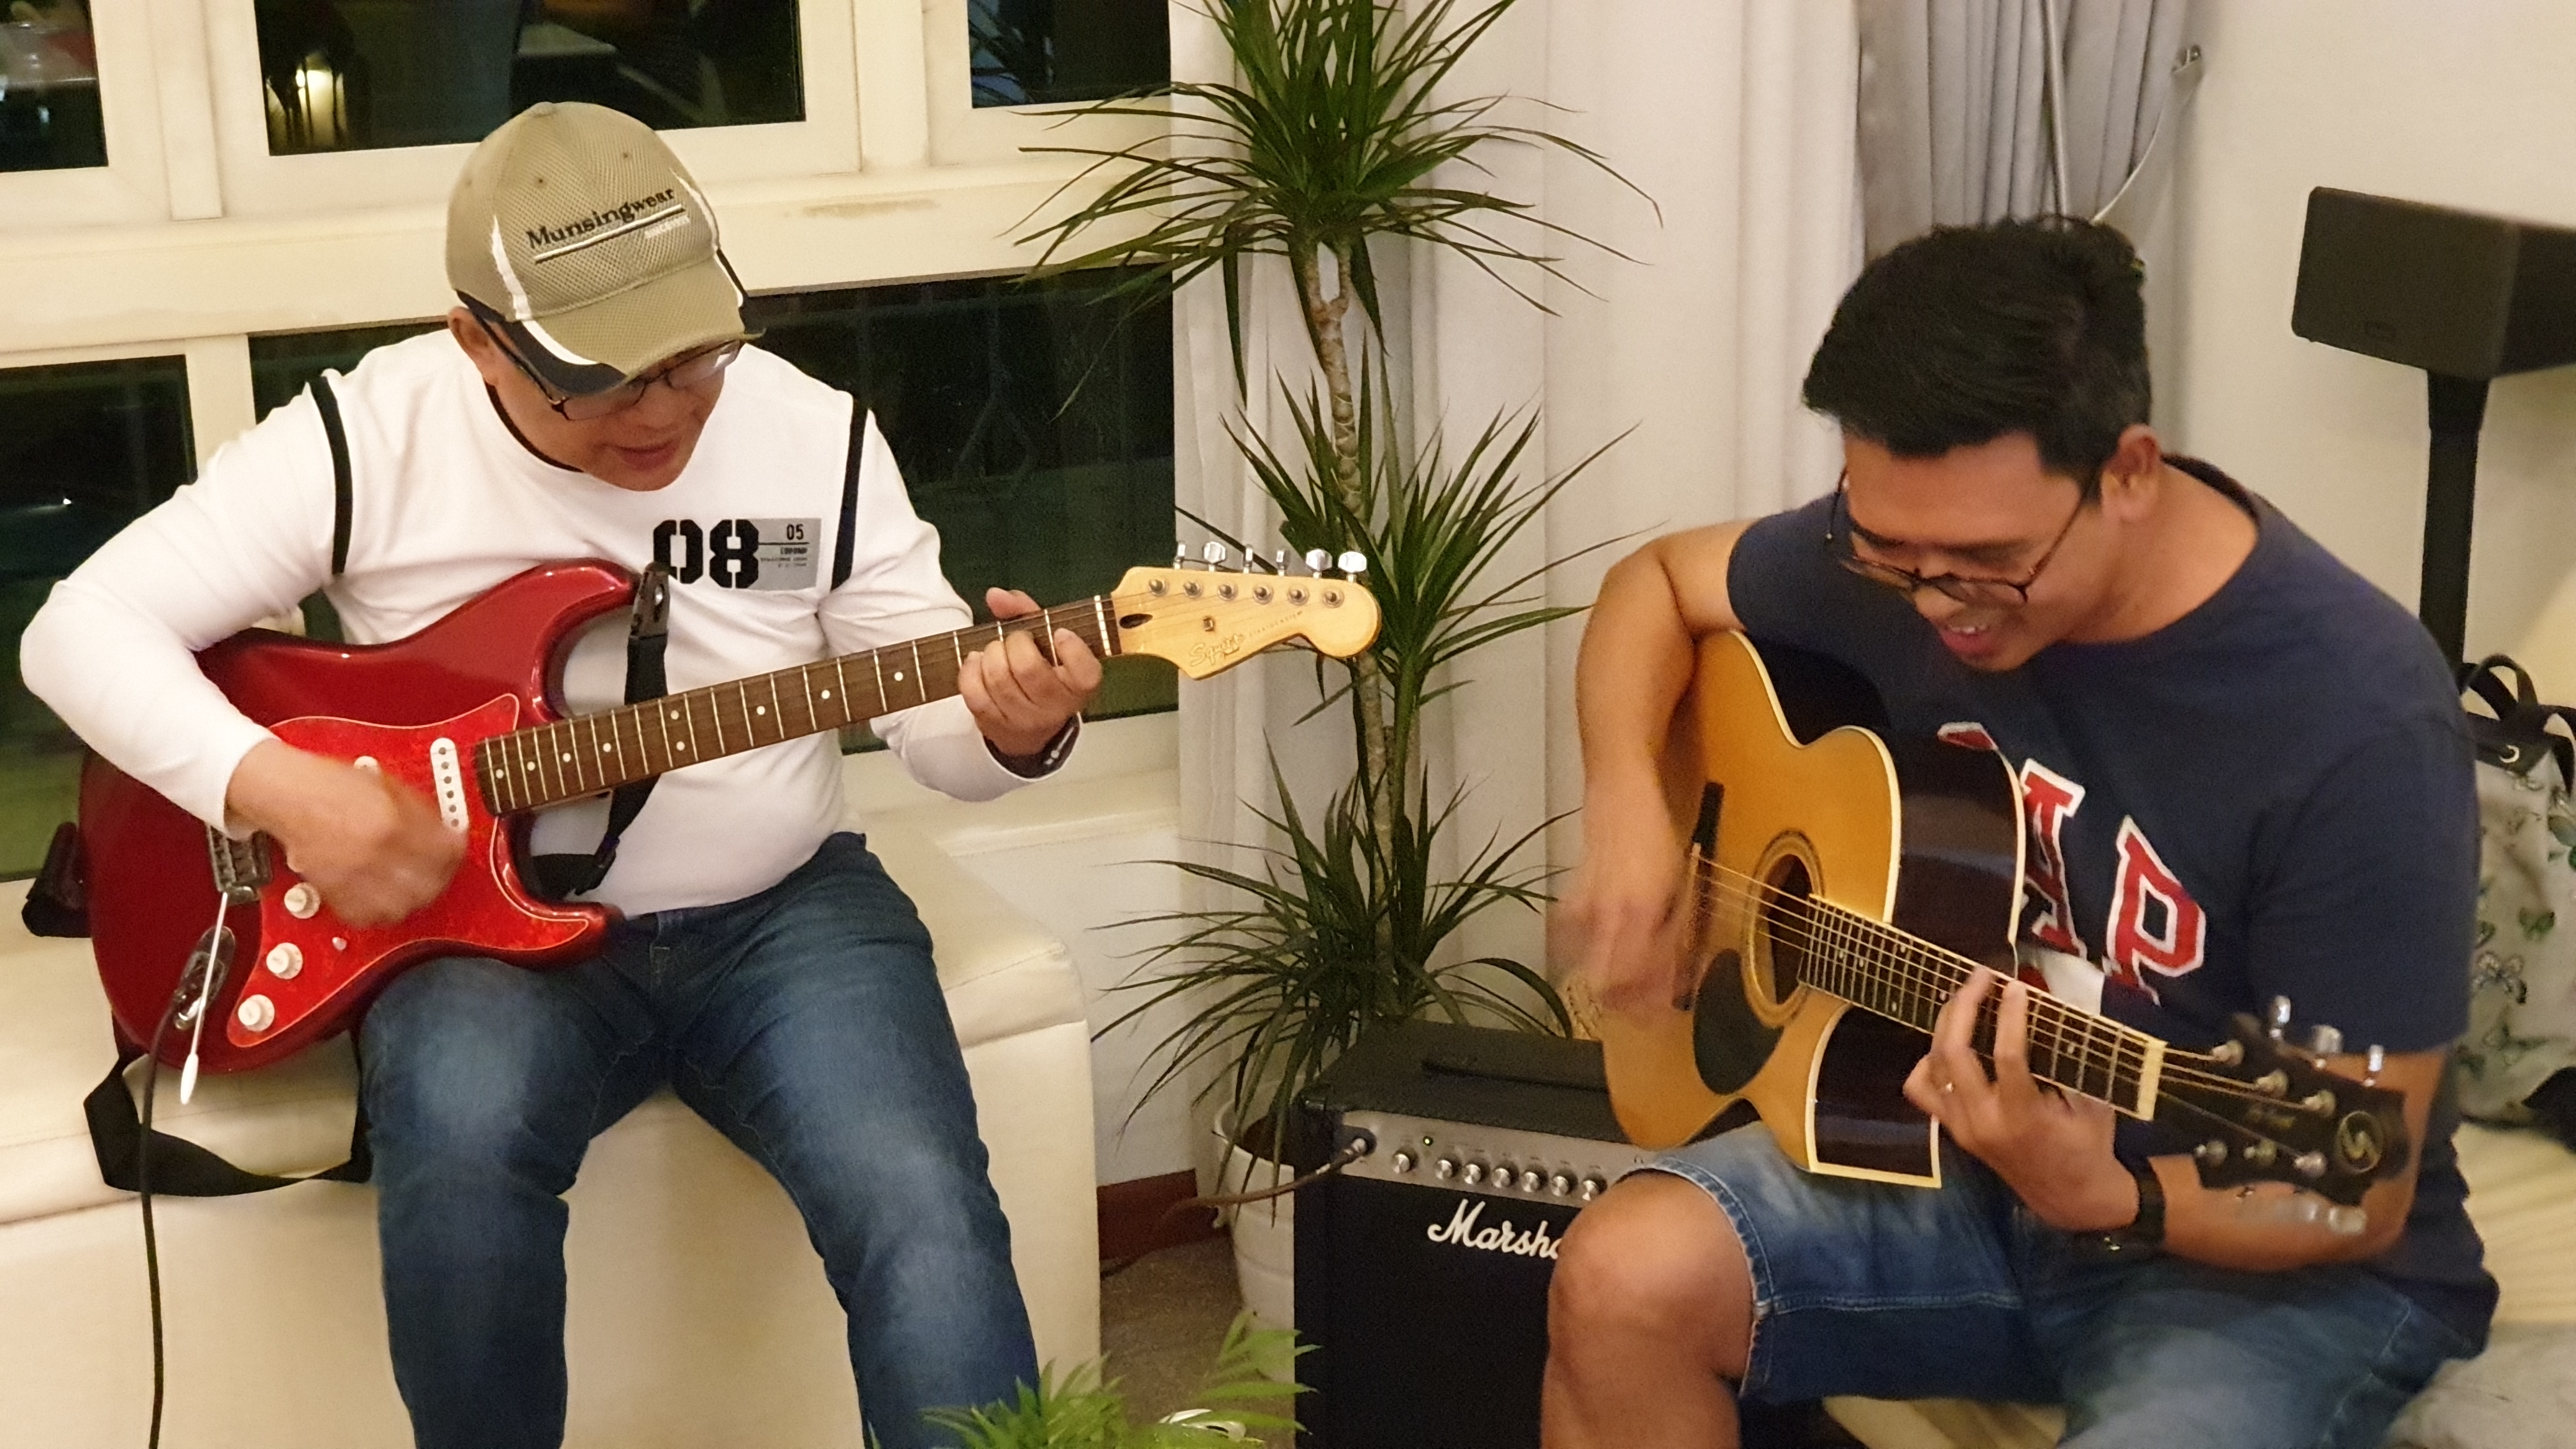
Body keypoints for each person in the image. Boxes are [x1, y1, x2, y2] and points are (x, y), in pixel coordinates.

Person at [19, 102, 1094, 1449]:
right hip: (475, 943)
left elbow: (938, 733)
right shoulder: (370, 433)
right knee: (460, 1177)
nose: (663, 410)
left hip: (784, 913)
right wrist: (283, 789)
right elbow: (78, 631)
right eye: (604, 380)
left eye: (692, 359)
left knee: (922, 1201)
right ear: (478, 339)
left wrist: (1011, 725)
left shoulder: (816, 436)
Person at [1542, 218, 2490, 1449]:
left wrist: (2113, 1192)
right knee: (1617, 1280)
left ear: (2129, 472)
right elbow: (1659, 587)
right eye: (1893, 553)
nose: (1939, 604)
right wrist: (1627, 806)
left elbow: (2354, 1183)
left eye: (1989, 564)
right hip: (1964, 1173)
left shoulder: (2354, 721)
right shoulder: (1905, 558)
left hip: (2270, 1269)